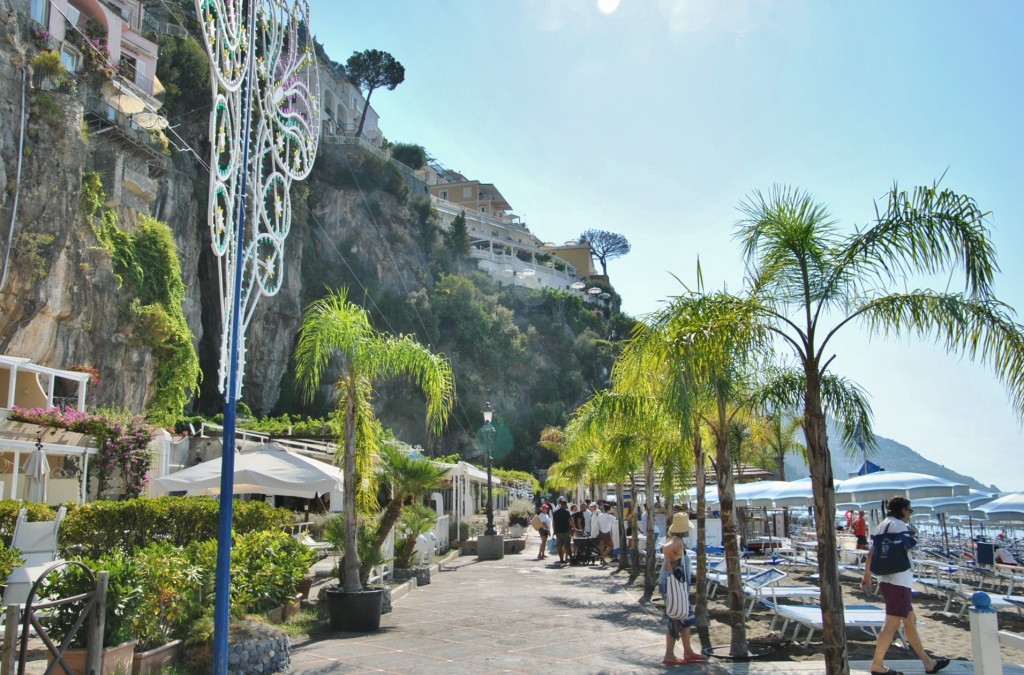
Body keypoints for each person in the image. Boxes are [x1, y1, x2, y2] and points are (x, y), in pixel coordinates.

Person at [861, 496, 949, 675]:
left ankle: (928, 663)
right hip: (899, 581)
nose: (910, 514)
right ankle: (877, 665)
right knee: (891, 624)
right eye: (909, 510)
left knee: (910, 621)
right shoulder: (900, 526)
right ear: (903, 510)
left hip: (886, 579)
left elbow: (872, 553)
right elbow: (908, 546)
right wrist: (911, 532)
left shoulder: (881, 525)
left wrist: (867, 576)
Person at [660, 513, 703, 666]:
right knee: (676, 617)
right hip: (674, 586)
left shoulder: (675, 539)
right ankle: (669, 655)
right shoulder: (677, 540)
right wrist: (673, 562)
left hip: (676, 585)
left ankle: (687, 651)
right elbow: (666, 549)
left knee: (686, 617)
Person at [552, 496, 573, 564]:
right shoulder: (566, 512)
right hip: (565, 531)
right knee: (567, 545)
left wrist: (554, 530)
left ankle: (561, 559)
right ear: (565, 505)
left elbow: (553, 522)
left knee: (559, 546)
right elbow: (570, 520)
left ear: (560, 504)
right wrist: (573, 527)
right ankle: (571, 558)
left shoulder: (555, 512)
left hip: (558, 531)